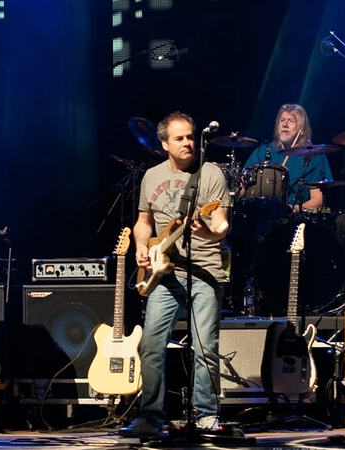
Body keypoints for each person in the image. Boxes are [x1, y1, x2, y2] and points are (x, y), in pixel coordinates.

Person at [121, 112, 230, 438]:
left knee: (205, 347)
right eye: (179, 138)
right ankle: (151, 417)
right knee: (151, 345)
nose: (188, 143)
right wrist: (142, 246)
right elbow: (144, 221)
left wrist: (209, 232)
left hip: (205, 270)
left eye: (191, 137)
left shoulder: (211, 173)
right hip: (163, 272)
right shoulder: (152, 176)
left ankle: (206, 415)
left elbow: (221, 222)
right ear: (165, 144)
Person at [243, 104, 333, 212]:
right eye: (282, 120)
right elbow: (243, 184)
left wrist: (290, 210)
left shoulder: (314, 156)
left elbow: (317, 201)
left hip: (295, 217)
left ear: (302, 130)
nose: (285, 124)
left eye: (291, 121)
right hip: (259, 214)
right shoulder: (262, 151)